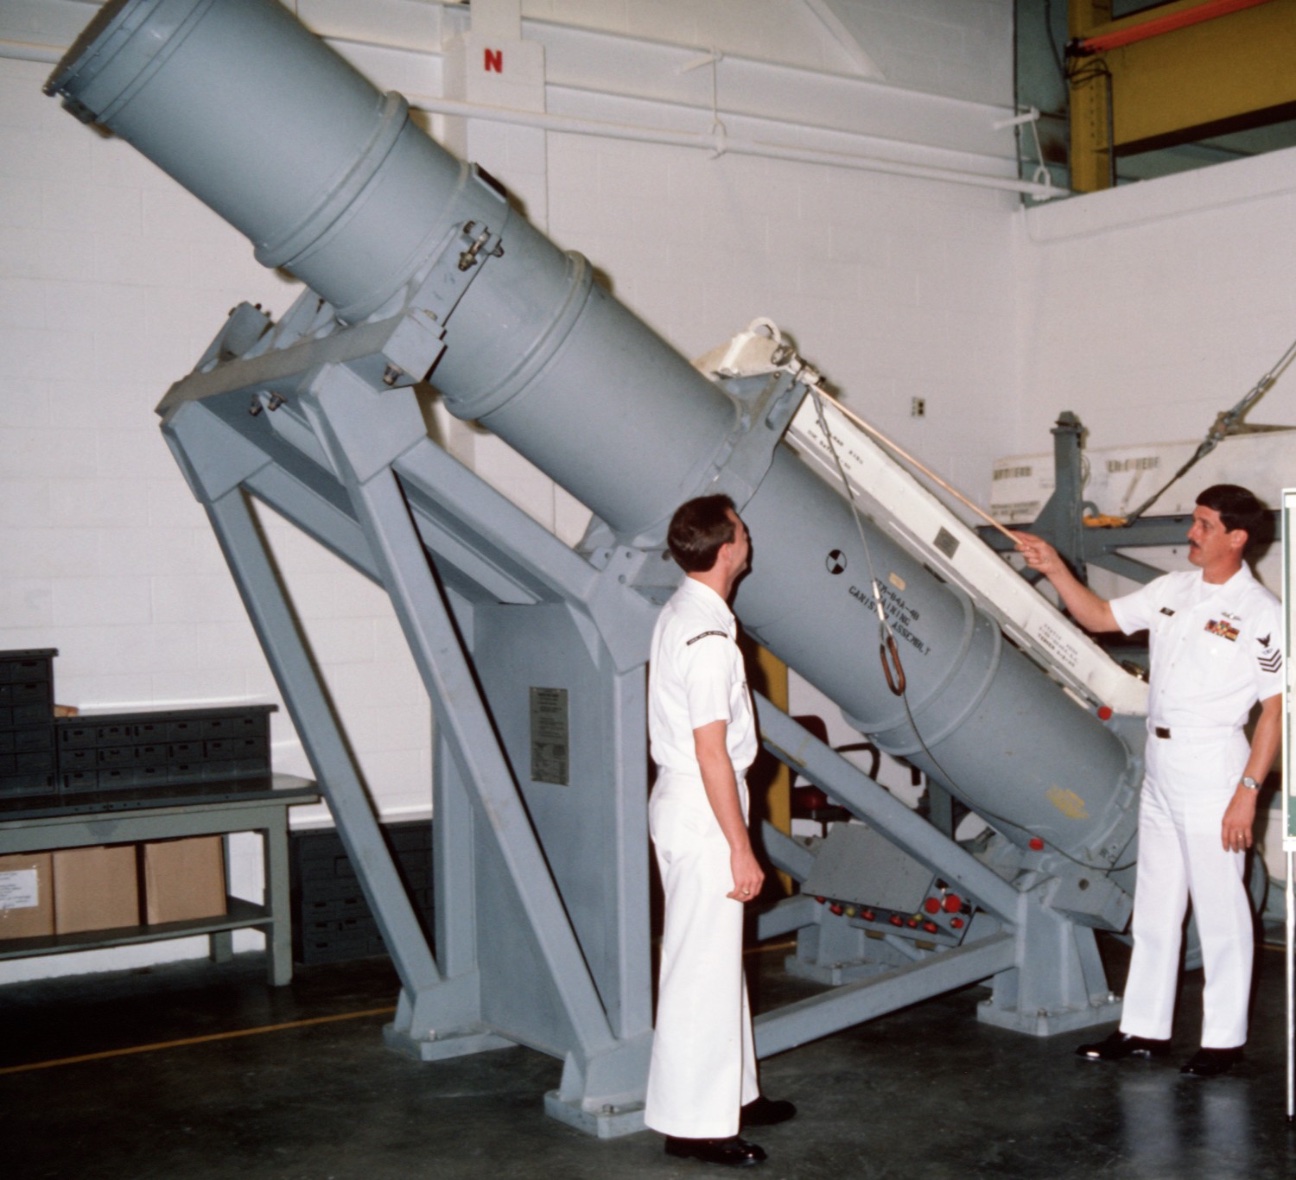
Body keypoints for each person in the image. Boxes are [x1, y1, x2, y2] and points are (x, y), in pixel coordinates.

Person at [1013, 484, 1282, 1078]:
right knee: (1156, 903)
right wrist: (1055, 567)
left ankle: (1223, 1040)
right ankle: (1143, 1029)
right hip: (1160, 766)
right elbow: (1101, 618)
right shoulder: (1172, 591)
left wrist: (1247, 792)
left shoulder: (1263, 613)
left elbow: (1277, 710)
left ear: (1237, 539)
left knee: (1220, 908)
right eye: (1194, 520)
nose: (1192, 533)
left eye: (1205, 525)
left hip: (1215, 768)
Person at [644, 494, 796, 1166]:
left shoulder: (688, 611)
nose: (748, 534)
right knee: (697, 969)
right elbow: (711, 750)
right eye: (742, 527)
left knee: (713, 960)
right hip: (706, 807)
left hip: (694, 799)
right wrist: (741, 847)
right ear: (728, 547)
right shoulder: (707, 638)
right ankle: (694, 1127)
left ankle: (733, 1093)